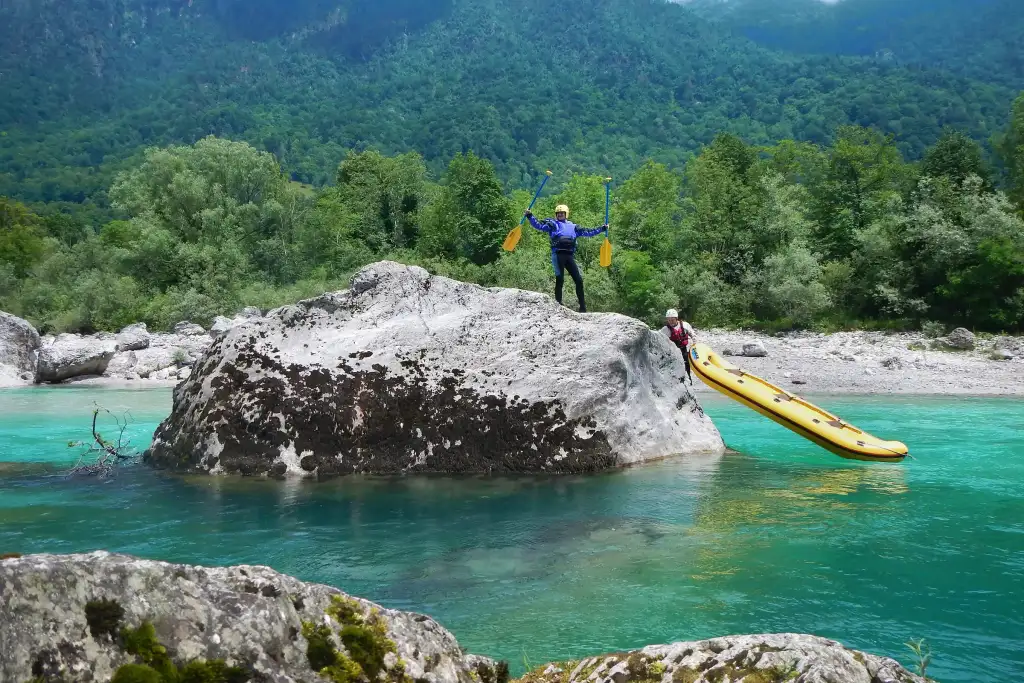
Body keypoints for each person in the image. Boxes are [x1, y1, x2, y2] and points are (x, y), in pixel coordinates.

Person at [524, 204, 607, 313]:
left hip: (569, 256)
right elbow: (538, 225)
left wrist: (602, 228)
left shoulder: (574, 227)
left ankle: (582, 307)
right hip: (558, 255)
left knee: (579, 280)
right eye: (558, 213)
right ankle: (558, 303)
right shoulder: (552, 224)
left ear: (566, 214)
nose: (560, 215)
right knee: (560, 279)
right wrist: (530, 216)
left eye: (562, 213)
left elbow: (589, 232)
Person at [660, 309, 697, 384]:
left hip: (683, 349)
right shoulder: (665, 329)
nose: (670, 321)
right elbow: (658, 338)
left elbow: (693, 335)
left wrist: (695, 344)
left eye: (672, 320)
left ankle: (689, 379)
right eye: (669, 320)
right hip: (673, 351)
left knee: (686, 364)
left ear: (676, 318)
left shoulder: (685, 325)